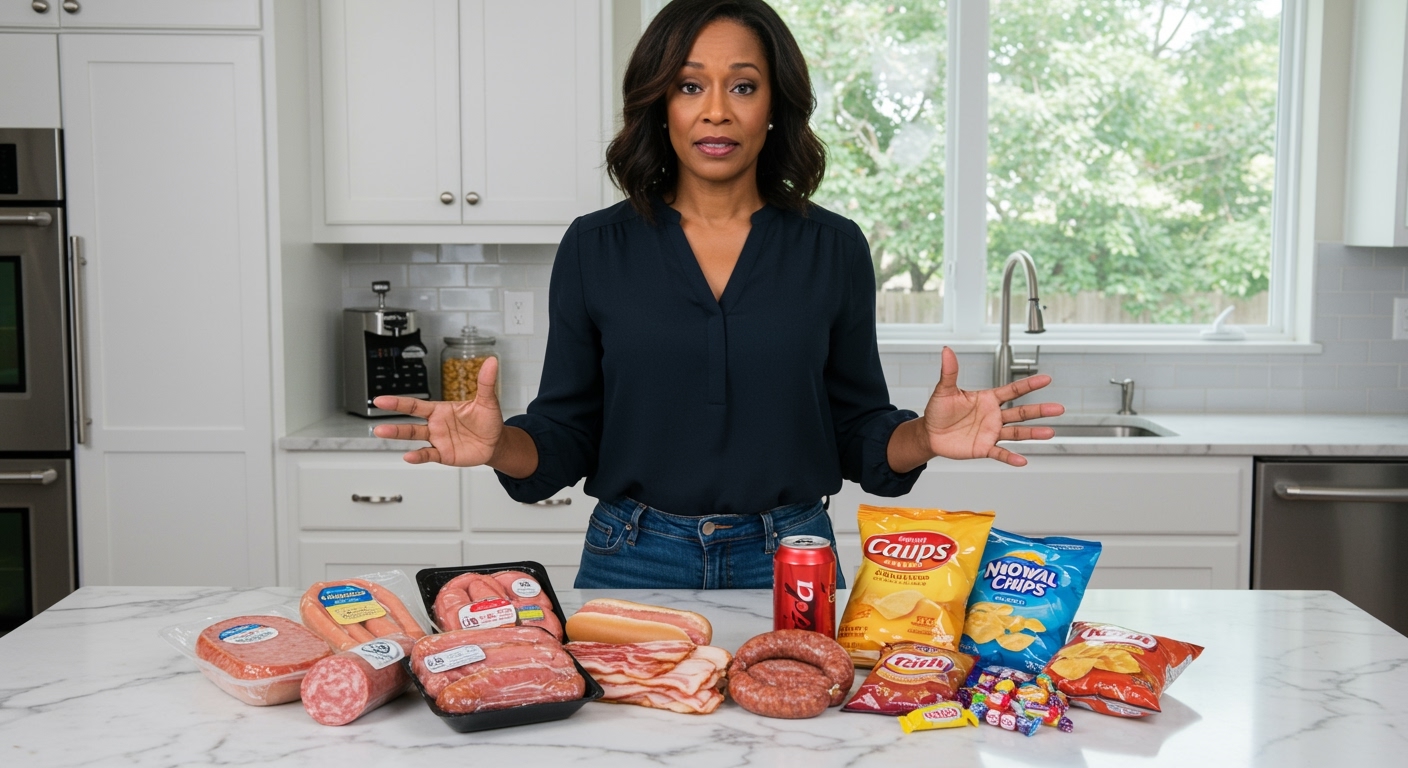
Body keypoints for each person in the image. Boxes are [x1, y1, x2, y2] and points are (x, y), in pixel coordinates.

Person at [372, 0, 1062, 589]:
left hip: (794, 555)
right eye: (689, 86)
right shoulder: (594, 246)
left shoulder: (834, 247)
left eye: (742, 86)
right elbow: (566, 435)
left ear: (774, 106)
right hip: (629, 557)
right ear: (659, 104)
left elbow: (858, 433)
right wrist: (500, 447)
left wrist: (924, 437)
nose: (715, 112)